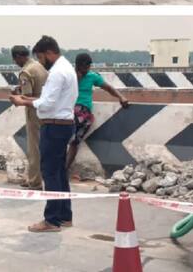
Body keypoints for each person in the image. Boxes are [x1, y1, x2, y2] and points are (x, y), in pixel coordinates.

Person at [10, 36, 78, 233]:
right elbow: (50, 99)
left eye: (41, 57)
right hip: (64, 124)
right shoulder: (66, 68)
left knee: (50, 172)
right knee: (59, 172)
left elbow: (47, 104)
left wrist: (23, 101)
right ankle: (65, 216)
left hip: (54, 126)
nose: (40, 62)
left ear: (48, 53)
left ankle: (52, 220)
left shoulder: (57, 72)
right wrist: (27, 98)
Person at [67, 53, 129, 171]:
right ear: (77, 66)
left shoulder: (92, 76)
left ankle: (64, 168)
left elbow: (108, 88)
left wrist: (121, 97)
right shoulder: (69, 76)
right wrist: (75, 79)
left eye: (88, 67)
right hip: (68, 111)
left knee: (74, 142)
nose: (86, 70)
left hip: (82, 112)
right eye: (84, 67)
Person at [11, 45, 49, 190]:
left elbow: (26, 97)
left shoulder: (26, 72)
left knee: (34, 148)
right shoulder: (39, 66)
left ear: (19, 57)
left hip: (34, 111)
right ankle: (36, 177)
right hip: (46, 109)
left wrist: (15, 96)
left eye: (15, 60)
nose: (16, 63)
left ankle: (35, 182)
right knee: (43, 147)